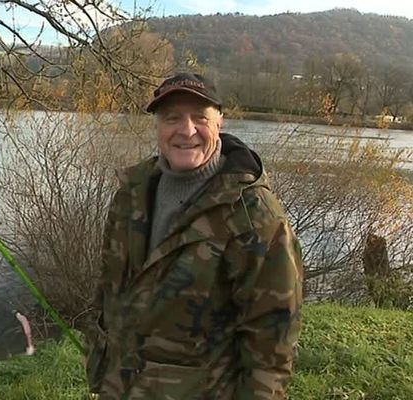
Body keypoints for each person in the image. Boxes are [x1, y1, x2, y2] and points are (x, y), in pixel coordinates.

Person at [85, 72, 303, 400]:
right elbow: (108, 289)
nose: (186, 131)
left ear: (219, 123)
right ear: (158, 126)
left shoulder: (254, 213)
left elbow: (271, 349)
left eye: (200, 117)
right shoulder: (130, 194)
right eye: (172, 118)